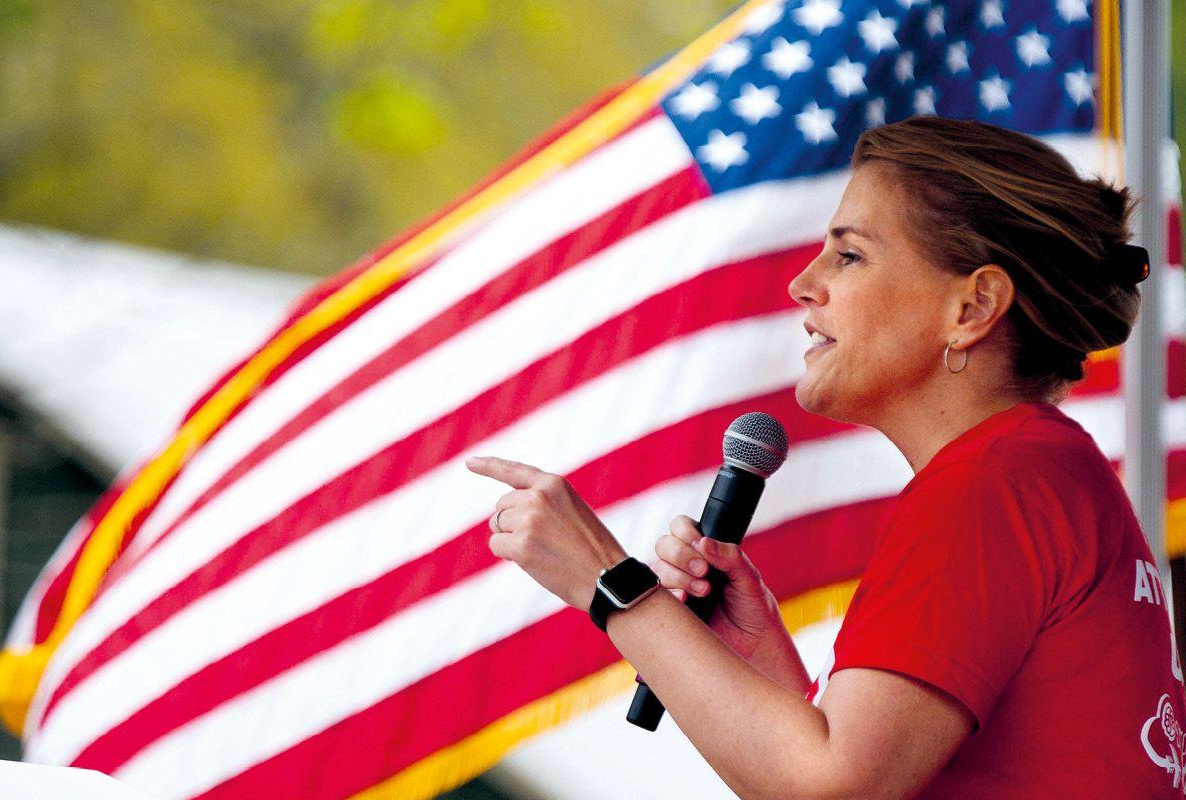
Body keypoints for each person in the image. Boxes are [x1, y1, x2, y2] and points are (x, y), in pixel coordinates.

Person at [465, 116, 1186, 798]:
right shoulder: (1038, 471)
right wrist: (764, 678)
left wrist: (610, 584)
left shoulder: (990, 484)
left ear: (972, 309)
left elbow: (835, 787)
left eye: (849, 254)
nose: (803, 284)